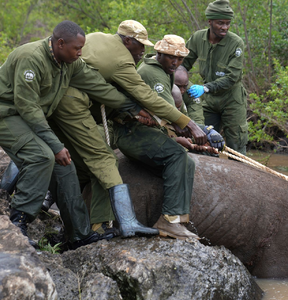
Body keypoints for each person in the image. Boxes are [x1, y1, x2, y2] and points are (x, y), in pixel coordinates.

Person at [0, 20, 124, 249]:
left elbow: (97, 85)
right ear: (60, 43)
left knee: (65, 166)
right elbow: (28, 108)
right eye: (77, 48)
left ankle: (79, 234)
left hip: (28, 118)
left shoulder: (69, 63)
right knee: (41, 156)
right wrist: (56, 145)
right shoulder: (31, 57)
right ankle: (18, 221)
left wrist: (132, 106)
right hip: (2, 113)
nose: (80, 53)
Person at [81, 21, 207, 240]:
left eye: (179, 59)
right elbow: (150, 100)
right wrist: (189, 124)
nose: (143, 50)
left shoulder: (102, 40)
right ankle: (169, 221)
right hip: (125, 128)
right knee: (176, 157)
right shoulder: (138, 68)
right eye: (171, 57)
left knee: (181, 159)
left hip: (128, 120)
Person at [183, 0, 248, 155]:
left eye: (227, 23)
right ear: (210, 21)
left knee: (236, 144)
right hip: (210, 101)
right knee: (203, 139)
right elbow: (183, 64)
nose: (224, 27)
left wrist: (205, 88)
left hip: (232, 99)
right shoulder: (198, 38)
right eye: (220, 23)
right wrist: (183, 85)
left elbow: (233, 77)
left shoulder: (235, 43)